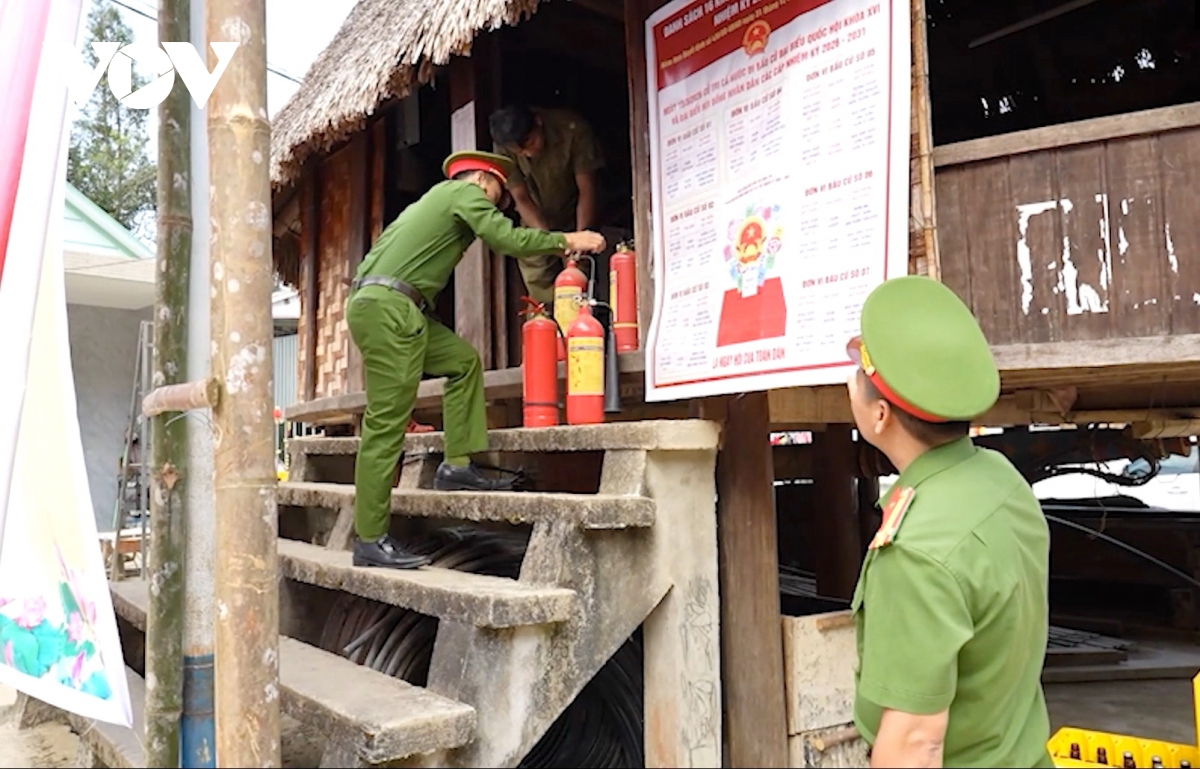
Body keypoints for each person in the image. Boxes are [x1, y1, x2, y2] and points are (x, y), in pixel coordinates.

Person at [346, 150, 606, 570]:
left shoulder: (435, 201)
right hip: (390, 308)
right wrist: (568, 240)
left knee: (463, 361)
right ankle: (371, 538)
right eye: (499, 197)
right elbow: (506, 238)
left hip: (392, 306)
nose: (497, 205)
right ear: (485, 180)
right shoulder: (462, 193)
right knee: (386, 424)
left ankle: (457, 464)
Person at [844, 275, 1053, 768]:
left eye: (858, 374)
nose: (849, 380)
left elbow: (915, 742)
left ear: (879, 417)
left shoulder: (917, 550)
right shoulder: (1001, 479)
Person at [488, 104, 606, 307]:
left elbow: (586, 190)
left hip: (573, 213)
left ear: (538, 122)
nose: (527, 154)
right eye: (519, 151)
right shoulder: (504, 148)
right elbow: (521, 197)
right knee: (537, 273)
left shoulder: (573, 130)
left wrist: (579, 238)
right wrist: (549, 241)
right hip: (536, 218)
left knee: (580, 277)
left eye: (530, 143)